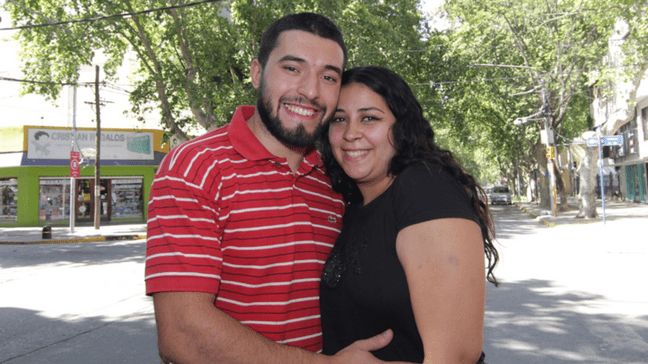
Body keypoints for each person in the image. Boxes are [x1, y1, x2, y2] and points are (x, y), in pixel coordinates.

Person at [145, 13, 408, 364]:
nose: (311, 91)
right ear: (257, 73)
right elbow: (182, 335)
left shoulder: (337, 177)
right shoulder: (196, 167)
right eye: (292, 68)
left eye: (328, 76)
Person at [319, 66, 499, 364]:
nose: (351, 133)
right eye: (340, 119)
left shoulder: (425, 189)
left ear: (402, 127)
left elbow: (457, 356)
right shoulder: (353, 206)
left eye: (370, 118)